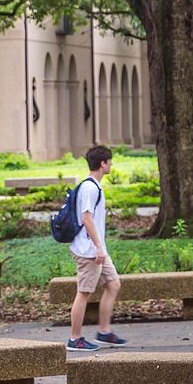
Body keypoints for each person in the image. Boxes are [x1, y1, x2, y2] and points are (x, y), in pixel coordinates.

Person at [66, 145, 126, 351]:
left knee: (113, 284)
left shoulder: (93, 186)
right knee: (83, 293)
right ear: (103, 163)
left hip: (97, 249)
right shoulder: (90, 188)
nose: (111, 164)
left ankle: (104, 331)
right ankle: (75, 339)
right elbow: (87, 218)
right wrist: (99, 247)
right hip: (89, 251)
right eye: (110, 161)